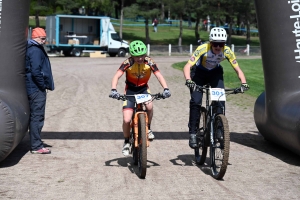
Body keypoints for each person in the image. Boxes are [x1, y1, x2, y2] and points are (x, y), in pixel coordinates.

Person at [183, 27, 249, 149]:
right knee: (196, 101)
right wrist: (188, 80)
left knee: (220, 101)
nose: (218, 47)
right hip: (199, 73)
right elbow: (187, 66)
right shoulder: (202, 48)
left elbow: (237, 69)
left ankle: (219, 128)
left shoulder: (227, 51)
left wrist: (244, 83)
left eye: (221, 44)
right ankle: (193, 132)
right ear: (210, 42)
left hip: (215, 73)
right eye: (215, 44)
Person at [110, 40, 171, 156]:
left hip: (143, 89)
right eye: (137, 56)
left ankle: (148, 128)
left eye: (142, 55)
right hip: (130, 90)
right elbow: (117, 75)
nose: (140, 59)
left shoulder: (149, 62)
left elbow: (158, 75)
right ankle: (127, 142)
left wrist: (166, 88)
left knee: (149, 106)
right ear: (132, 55)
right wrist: (114, 89)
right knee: (127, 119)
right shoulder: (127, 62)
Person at [25, 27, 55, 154]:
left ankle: (35, 143)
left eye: (44, 38)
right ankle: (36, 146)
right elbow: (36, 71)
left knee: (35, 116)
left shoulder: (31, 48)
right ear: (35, 38)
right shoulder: (35, 50)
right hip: (36, 88)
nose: (44, 41)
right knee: (37, 117)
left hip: (33, 86)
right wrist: (42, 85)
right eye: (42, 38)